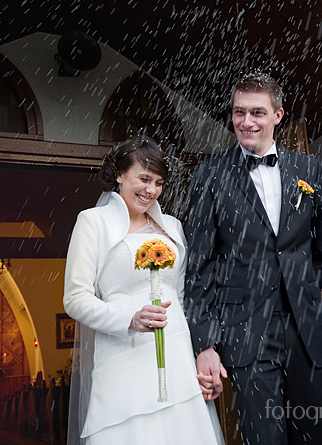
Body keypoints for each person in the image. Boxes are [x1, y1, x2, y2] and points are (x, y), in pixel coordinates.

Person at [185, 72, 322, 445]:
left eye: (257, 112)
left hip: (305, 329)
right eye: (239, 112)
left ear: (278, 116)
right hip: (246, 331)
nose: (246, 122)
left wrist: (301, 288)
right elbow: (199, 266)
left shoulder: (308, 170)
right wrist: (205, 343)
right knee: (263, 437)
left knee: (314, 434)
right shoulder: (209, 175)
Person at [63, 135, 224, 445]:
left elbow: (182, 297)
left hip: (177, 356)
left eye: (159, 182)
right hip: (123, 356)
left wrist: (200, 355)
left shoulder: (173, 227)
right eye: (145, 178)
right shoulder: (93, 222)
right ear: (119, 175)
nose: (152, 190)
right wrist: (128, 320)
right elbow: (75, 298)